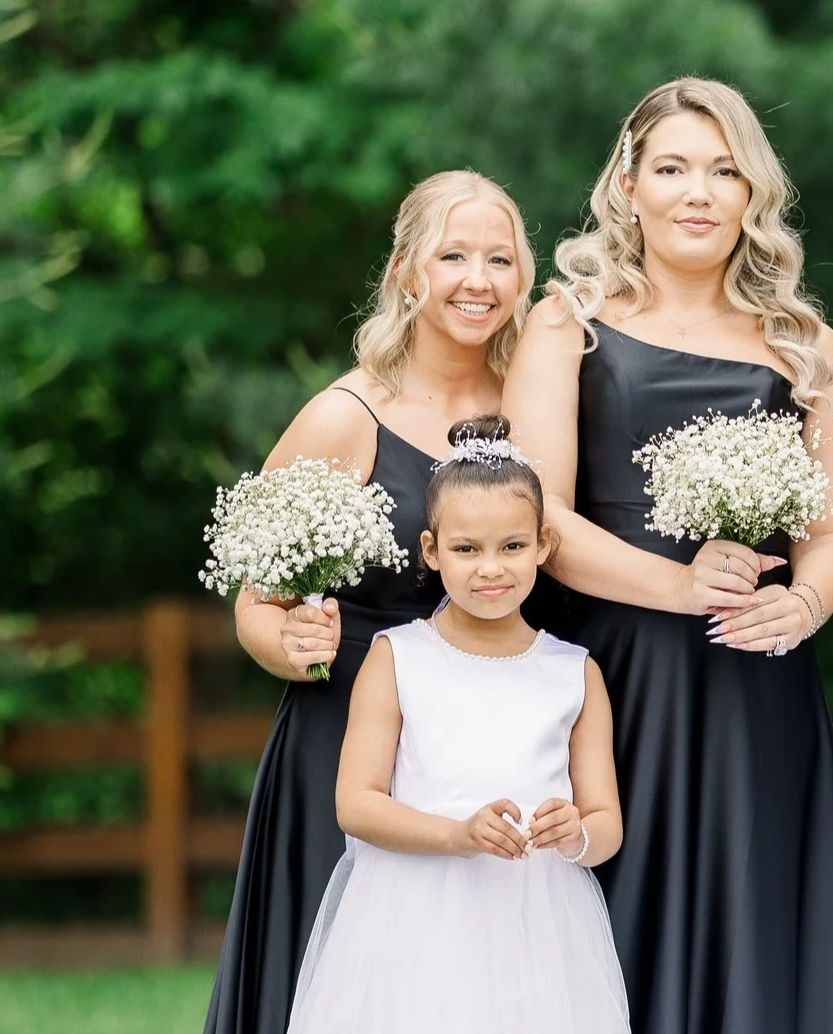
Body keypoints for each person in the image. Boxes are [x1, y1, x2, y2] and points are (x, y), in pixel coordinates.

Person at [501, 77, 833, 1034]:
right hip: (614, 679)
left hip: (758, 681)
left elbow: (828, 535)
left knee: (756, 917)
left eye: (723, 170)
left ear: (754, 195)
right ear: (629, 186)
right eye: (672, 168)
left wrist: (806, 607)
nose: (698, 192)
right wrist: (679, 586)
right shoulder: (565, 323)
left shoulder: (808, 348)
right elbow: (543, 521)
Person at [205, 170, 529, 1034]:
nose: (477, 279)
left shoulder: (534, 410)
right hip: (349, 746)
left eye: (500, 258)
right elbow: (254, 603)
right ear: (404, 270)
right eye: (453, 254)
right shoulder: (345, 417)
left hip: (493, 746)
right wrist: (294, 642)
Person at [284, 416, 631, 1033]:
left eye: (513, 547)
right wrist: (457, 836)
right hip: (414, 915)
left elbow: (606, 825)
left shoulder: (574, 673)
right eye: (467, 549)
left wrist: (576, 831)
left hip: (538, 924)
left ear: (544, 545)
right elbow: (356, 804)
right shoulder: (397, 657)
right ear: (431, 549)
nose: (490, 569)